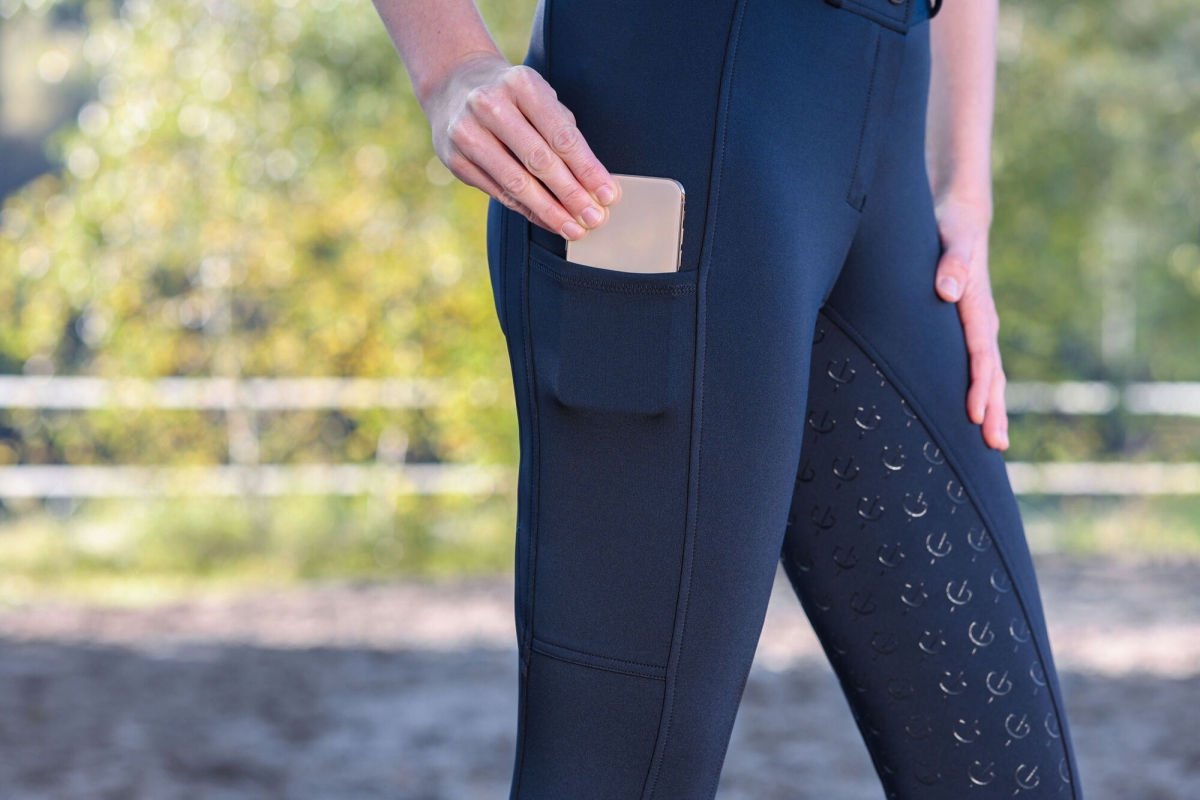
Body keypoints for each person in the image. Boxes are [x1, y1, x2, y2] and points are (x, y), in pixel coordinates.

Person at [371, 0, 1085, 796]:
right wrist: (449, 67)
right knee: (616, 773)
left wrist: (966, 190)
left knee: (1009, 773)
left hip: (888, 147)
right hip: (662, 130)